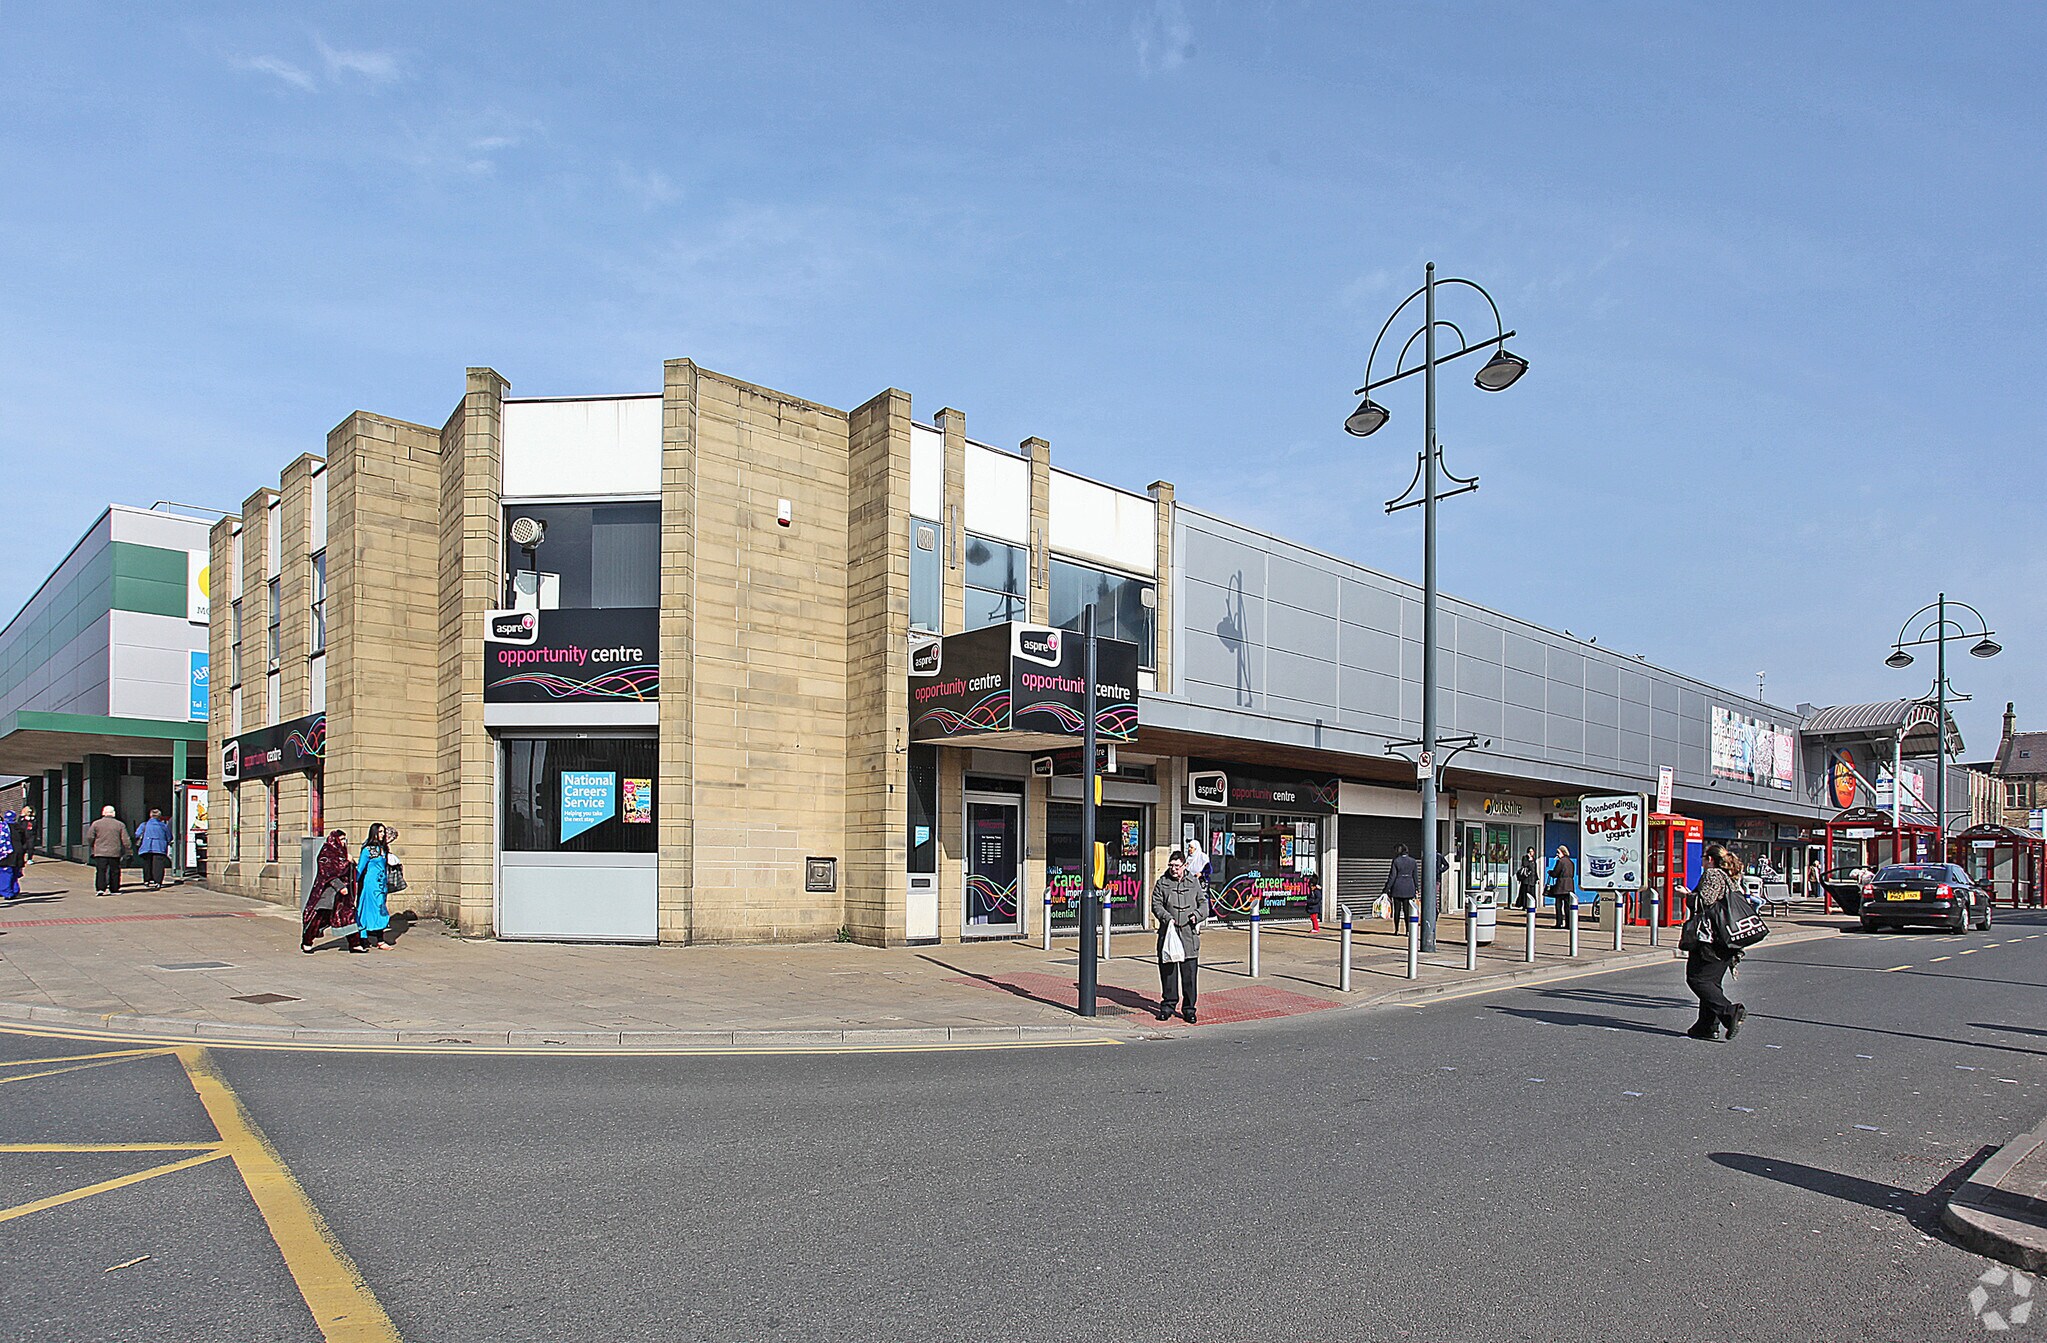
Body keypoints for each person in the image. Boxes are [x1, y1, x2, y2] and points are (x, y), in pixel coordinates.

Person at [1679, 843, 1749, 1041]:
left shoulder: (1712, 874)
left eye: (1704, 858)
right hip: (1728, 937)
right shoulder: (1730, 877)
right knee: (1712, 982)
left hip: (1710, 939)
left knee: (1697, 979)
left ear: (1710, 859)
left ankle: (1730, 1012)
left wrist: (1686, 895)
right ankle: (1707, 1026)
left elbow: (1706, 902)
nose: (1702, 861)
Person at [1150, 849, 1210, 1024]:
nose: (1173, 869)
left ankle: (1189, 1009)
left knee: (1189, 976)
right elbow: (1156, 904)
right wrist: (1166, 917)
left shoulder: (1193, 882)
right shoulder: (1162, 883)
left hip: (1188, 935)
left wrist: (1196, 916)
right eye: (1171, 865)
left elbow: (1203, 904)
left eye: (1177, 866)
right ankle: (1168, 1006)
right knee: (1168, 974)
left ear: (1184, 865)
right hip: (1169, 933)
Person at [302, 829, 365, 953]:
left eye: (345, 839)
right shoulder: (327, 853)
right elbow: (327, 873)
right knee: (319, 918)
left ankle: (355, 944)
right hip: (329, 893)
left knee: (348, 917)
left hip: (344, 894)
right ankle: (307, 941)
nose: (344, 842)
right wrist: (340, 886)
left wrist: (351, 862)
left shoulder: (343, 853)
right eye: (341, 839)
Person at [356, 823, 396, 950]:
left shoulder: (383, 849)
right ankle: (376, 939)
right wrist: (352, 883)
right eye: (380, 832)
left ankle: (369, 937)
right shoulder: (367, 850)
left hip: (381, 884)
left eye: (383, 831)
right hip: (370, 885)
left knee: (379, 908)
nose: (383, 834)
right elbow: (360, 868)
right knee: (374, 909)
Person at [86, 805, 131, 895]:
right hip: (115, 851)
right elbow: (125, 839)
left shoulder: (96, 823)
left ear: (103, 813)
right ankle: (114, 889)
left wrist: (93, 845)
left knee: (101, 870)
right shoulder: (120, 824)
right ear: (114, 813)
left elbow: (90, 837)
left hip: (100, 851)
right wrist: (128, 849)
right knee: (114, 871)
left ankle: (100, 888)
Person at [1383, 843, 1419, 934]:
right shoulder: (1413, 861)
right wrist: (1416, 888)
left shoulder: (1396, 861)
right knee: (1407, 911)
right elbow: (1415, 876)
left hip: (1397, 887)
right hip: (1409, 888)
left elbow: (1392, 876)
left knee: (1397, 911)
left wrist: (1386, 889)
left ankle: (1397, 930)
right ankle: (1408, 930)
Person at [135, 807, 171, 890]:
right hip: (159, 847)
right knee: (158, 865)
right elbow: (169, 837)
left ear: (150, 815)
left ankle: (147, 880)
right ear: (159, 816)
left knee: (147, 864)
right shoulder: (163, 826)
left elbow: (137, 834)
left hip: (146, 846)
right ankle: (158, 881)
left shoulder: (144, 825)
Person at [1548, 844, 1577, 929]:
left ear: (1563, 852)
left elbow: (1555, 873)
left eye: (1558, 852)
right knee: (1568, 907)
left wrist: (1550, 872)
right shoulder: (1571, 862)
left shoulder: (1560, 862)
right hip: (1569, 886)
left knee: (1558, 906)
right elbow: (1572, 874)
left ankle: (1559, 923)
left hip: (1561, 887)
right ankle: (1568, 923)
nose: (1557, 854)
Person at [0, 810, 24, 901]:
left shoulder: (2, 827)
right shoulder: (19, 828)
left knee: (5, 872)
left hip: (6, 853)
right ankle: (14, 890)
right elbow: (24, 840)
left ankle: (7, 892)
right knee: (14, 872)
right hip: (18, 852)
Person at [1515, 846, 1541, 911]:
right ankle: (1524, 906)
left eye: (1532, 851)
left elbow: (1534, 870)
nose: (1531, 853)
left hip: (1532, 879)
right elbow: (1525, 865)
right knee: (1525, 893)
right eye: (1530, 851)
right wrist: (1529, 859)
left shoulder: (1534, 859)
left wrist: (1537, 878)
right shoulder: (1525, 858)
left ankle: (1532, 905)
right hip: (1526, 879)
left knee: (1532, 893)